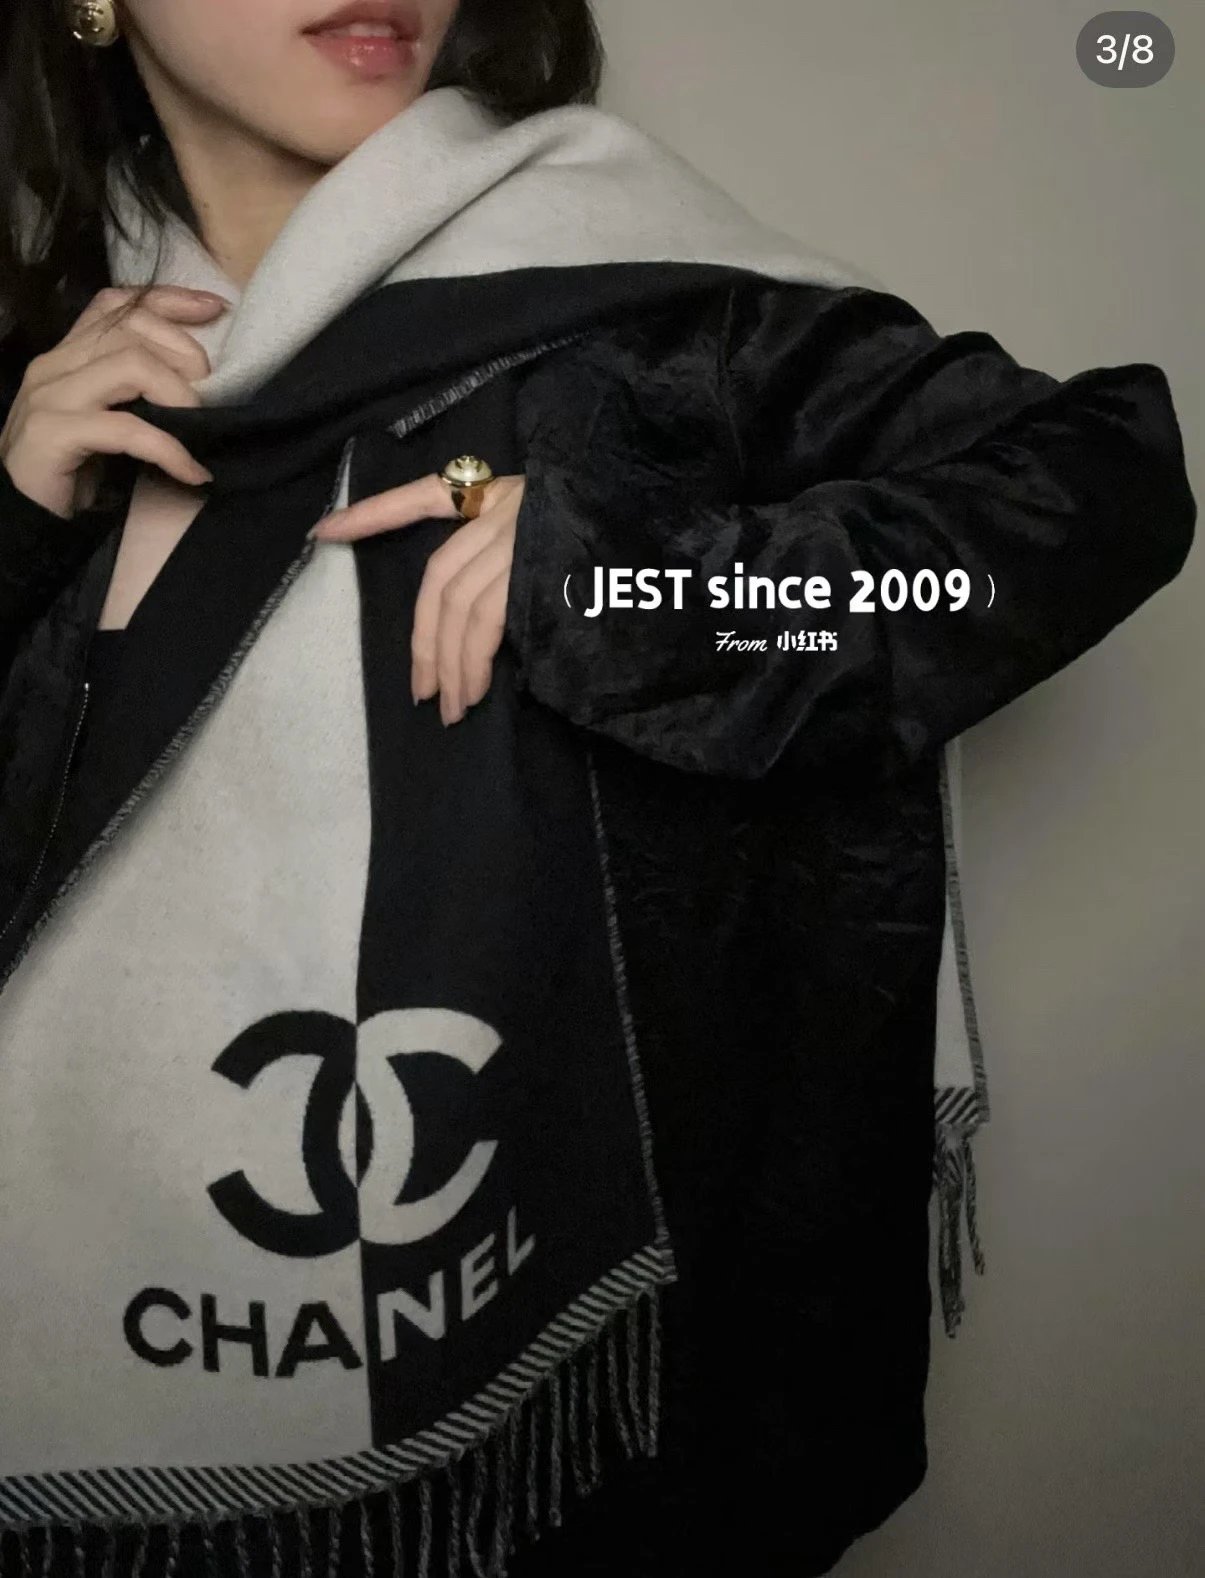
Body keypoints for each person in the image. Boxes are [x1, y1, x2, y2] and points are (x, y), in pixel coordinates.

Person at [0, 2, 1194, 1576]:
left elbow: (1093, 493)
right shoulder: (45, 366)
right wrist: (10, 527)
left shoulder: (640, 297)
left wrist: (638, 589)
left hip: (583, 1399)